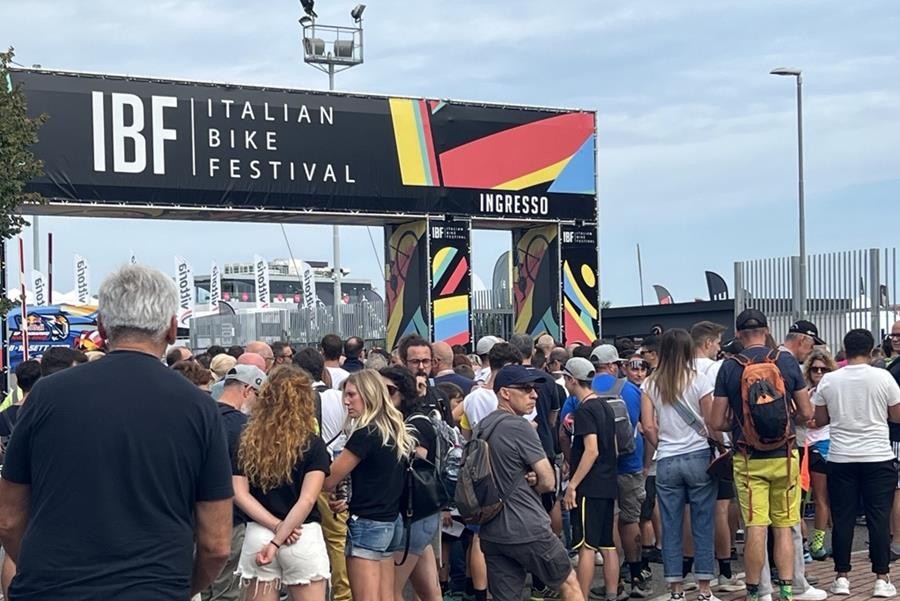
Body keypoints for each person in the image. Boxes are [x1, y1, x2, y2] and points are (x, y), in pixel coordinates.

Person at [0, 264, 233, 599]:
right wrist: (179, 588)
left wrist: (40, 573)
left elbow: (8, 517)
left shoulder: (46, 396)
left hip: (52, 589)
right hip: (153, 589)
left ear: (101, 326)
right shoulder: (200, 408)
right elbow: (217, 544)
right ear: (171, 329)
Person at [710, 309, 814, 601]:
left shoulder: (729, 367)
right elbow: (807, 412)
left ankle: (756, 592)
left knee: (756, 526)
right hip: (785, 455)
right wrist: (788, 419)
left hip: (748, 458)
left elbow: (716, 421)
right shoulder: (785, 361)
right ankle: (787, 590)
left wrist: (740, 424)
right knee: (783, 526)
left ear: (738, 334)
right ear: (767, 330)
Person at [476, 365, 582, 601]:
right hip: (526, 526)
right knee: (569, 583)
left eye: (534, 389)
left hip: (492, 530)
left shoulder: (482, 426)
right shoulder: (519, 426)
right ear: (505, 393)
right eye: (525, 389)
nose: (534, 395)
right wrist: (536, 481)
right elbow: (548, 481)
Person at [813, 329, 900, 598]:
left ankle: (841, 577)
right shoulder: (883, 377)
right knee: (878, 518)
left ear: (845, 348)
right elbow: (897, 416)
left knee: (843, 518)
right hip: (878, 456)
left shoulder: (829, 380)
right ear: (871, 349)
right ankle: (881, 578)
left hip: (841, 457)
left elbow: (820, 419)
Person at [232, 366, 331, 601]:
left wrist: (276, 527)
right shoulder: (313, 444)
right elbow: (307, 499)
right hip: (302, 534)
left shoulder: (247, 442)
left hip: (258, 532)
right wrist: (280, 536)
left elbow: (239, 493)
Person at [641, 329, 720, 601]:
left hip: (666, 459)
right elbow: (711, 421)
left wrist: (661, 444)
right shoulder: (699, 379)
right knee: (703, 523)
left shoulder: (650, 383)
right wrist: (718, 445)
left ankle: (675, 590)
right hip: (698, 456)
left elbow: (647, 425)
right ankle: (704, 589)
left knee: (671, 525)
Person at [324, 369, 415, 601]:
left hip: (367, 522)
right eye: (345, 395)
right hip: (391, 520)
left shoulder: (365, 433)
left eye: (351, 395)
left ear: (369, 394)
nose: (346, 401)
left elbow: (330, 478)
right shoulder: (394, 429)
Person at [201, 364, 267, 601]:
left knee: (204, 588)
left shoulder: (201, 418)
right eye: (259, 396)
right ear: (248, 390)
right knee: (228, 591)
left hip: (196, 516)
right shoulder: (246, 428)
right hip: (232, 519)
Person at [589, 344, 650, 598]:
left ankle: (614, 582)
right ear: (614, 365)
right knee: (630, 520)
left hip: (597, 467)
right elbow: (640, 425)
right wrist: (646, 464)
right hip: (629, 463)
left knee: (609, 521)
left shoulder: (584, 388)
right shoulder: (629, 389)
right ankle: (636, 575)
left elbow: (566, 429)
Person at [292, 347, 351, 601]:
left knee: (299, 533)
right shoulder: (340, 398)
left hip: (301, 478)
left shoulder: (294, 400)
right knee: (337, 539)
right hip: (334, 474)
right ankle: (342, 593)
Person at [379, 366, 443, 601]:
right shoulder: (407, 422)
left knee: (390, 591)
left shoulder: (414, 425)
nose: (383, 396)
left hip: (412, 514)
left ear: (404, 393)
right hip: (419, 514)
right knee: (429, 592)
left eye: (389, 390)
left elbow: (416, 464)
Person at [690, 321, 745, 593]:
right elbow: (718, 413)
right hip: (714, 446)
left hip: (682, 449)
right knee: (721, 508)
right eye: (717, 342)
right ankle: (723, 572)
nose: (719, 347)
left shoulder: (677, 370)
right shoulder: (716, 369)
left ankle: (689, 571)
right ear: (708, 342)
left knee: (688, 512)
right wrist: (724, 443)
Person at [561, 357, 620, 601]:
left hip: (590, 485)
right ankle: (612, 594)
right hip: (608, 482)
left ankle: (581, 596)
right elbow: (613, 446)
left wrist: (572, 485)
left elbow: (591, 449)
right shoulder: (605, 406)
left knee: (586, 545)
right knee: (607, 544)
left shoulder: (583, 410)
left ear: (572, 380)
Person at [0, 360, 41, 599]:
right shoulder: (39, 413)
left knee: (11, 547)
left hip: (6, 478)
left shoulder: (4, 414)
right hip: (31, 481)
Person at [801, 349, 836, 561]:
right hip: (806, 445)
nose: (819, 373)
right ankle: (813, 543)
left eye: (824, 369)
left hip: (823, 445)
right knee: (808, 497)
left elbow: (816, 421)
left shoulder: (831, 392)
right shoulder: (809, 392)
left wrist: (806, 417)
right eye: (815, 369)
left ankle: (818, 544)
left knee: (821, 498)